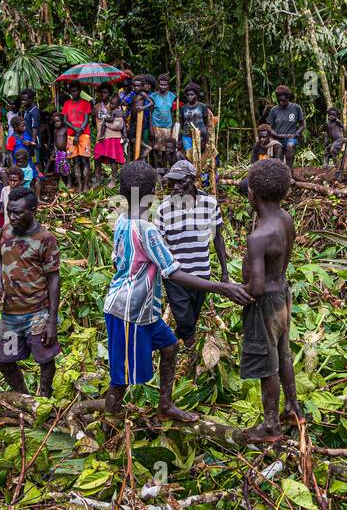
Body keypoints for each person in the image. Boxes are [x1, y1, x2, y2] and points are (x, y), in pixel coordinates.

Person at [102, 161, 250, 423]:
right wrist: (222, 287)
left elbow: (118, 260)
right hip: (127, 311)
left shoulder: (122, 221)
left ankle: (165, 405)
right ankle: (109, 419)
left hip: (144, 309)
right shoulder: (147, 229)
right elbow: (173, 272)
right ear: (151, 192)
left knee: (170, 347)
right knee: (121, 380)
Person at [237, 158, 300, 444]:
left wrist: (234, 289)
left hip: (265, 304)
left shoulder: (258, 237)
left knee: (268, 364)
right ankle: (293, 407)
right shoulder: (285, 218)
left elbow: (257, 287)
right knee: (283, 353)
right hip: (283, 295)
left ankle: (271, 425)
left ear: (252, 193)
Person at [0, 186, 61, 397]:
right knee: (6, 360)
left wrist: (51, 320)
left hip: (37, 314)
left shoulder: (45, 239)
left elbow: (54, 278)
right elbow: (0, 260)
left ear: (33, 210)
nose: (12, 217)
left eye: (18, 213)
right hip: (11, 315)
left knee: (44, 358)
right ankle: (23, 397)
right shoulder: (5, 232)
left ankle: (44, 397)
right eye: (9, 211)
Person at [157, 159, 229, 349]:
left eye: (181, 181)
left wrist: (225, 271)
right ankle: (188, 347)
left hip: (201, 273)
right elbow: (159, 244)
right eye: (173, 182)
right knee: (185, 319)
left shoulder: (210, 204)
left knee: (192, 316)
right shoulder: (164, 208)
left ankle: (177, 340)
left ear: (193, 180)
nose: (176, 186)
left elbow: (218, 238)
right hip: (176, 275)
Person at [263, 85, 305, 167]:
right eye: (279, 101)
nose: (280, 102)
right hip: (277, 138)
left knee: (290, 146)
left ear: (287, 97)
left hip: (291, 138)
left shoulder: (296, 108)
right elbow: (269, 128)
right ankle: (280, 173)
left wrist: (297, 133)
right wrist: (278, 135)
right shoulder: (274, 110)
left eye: (282, 100)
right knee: (277, 149)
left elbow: (302, 125)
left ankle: (289, 173)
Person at [61, 90, 94, 193]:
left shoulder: (85, 103)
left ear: (79, 91)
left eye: (75, 90)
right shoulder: (67, 103)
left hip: (84, 134)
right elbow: (65, 120)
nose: (74, 93)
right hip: (71, 134)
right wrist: (75, 129)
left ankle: (86, 185)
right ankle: (79, 185)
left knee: (85, 161)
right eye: (72, 90)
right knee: (75, 162)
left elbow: (86, 119)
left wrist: (79, 132)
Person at [94, 96, 127, 184]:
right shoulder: (98, 106)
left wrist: (124, 136)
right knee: (97, 157)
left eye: (107, 93)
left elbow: (123, 124)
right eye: (103, 93)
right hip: (103, 136)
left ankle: (113, 180)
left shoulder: (117, 110)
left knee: (113, 158)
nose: (104, 94)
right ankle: (98, 180)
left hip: (114, 136)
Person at [178, 82, 211, 157]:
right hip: (187, 136)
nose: (190, 97)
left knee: (200, 156)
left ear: (196, 95)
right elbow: (182, 123)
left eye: (192, 95)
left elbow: (206, 122)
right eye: (188, 95)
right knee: (189, 156)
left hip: (201, 135)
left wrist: (206, 137)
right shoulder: (183, 108)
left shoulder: (203, 107)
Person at [151, 73, 178, 146]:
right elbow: (150, 112)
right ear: (158, 85)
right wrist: (151, 128)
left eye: (165, 85)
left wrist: (172, 126)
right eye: (161, 84)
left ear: (168, 85)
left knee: (166, 148)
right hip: (156, 126)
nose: (163, 87)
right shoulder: (153, 96)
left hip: (167, 126)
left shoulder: (172, 96)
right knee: (156, 148)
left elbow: (171, 112)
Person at [21, 89, 42, 166]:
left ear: (31, 99)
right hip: (28, 139)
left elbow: (35, 128)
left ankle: (38, 176)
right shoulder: (26, 109)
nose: (23, 102)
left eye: (25, 100)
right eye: (22, 100)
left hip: (33, 141)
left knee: (35, 162)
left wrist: (33, 144)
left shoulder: (34, 112)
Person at [51, 113, 72, 190]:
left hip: (65, 152)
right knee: (58, 167)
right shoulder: (55, 131)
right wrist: (54, 151)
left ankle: (69, 182)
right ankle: (61, 182)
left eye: (58, 121)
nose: (57, 123)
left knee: (67, 167)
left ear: (63, 121)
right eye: (55, 122)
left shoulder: (66, 130)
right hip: (58, 152)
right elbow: (54, 141)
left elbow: (69, 141)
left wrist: (69, 151)